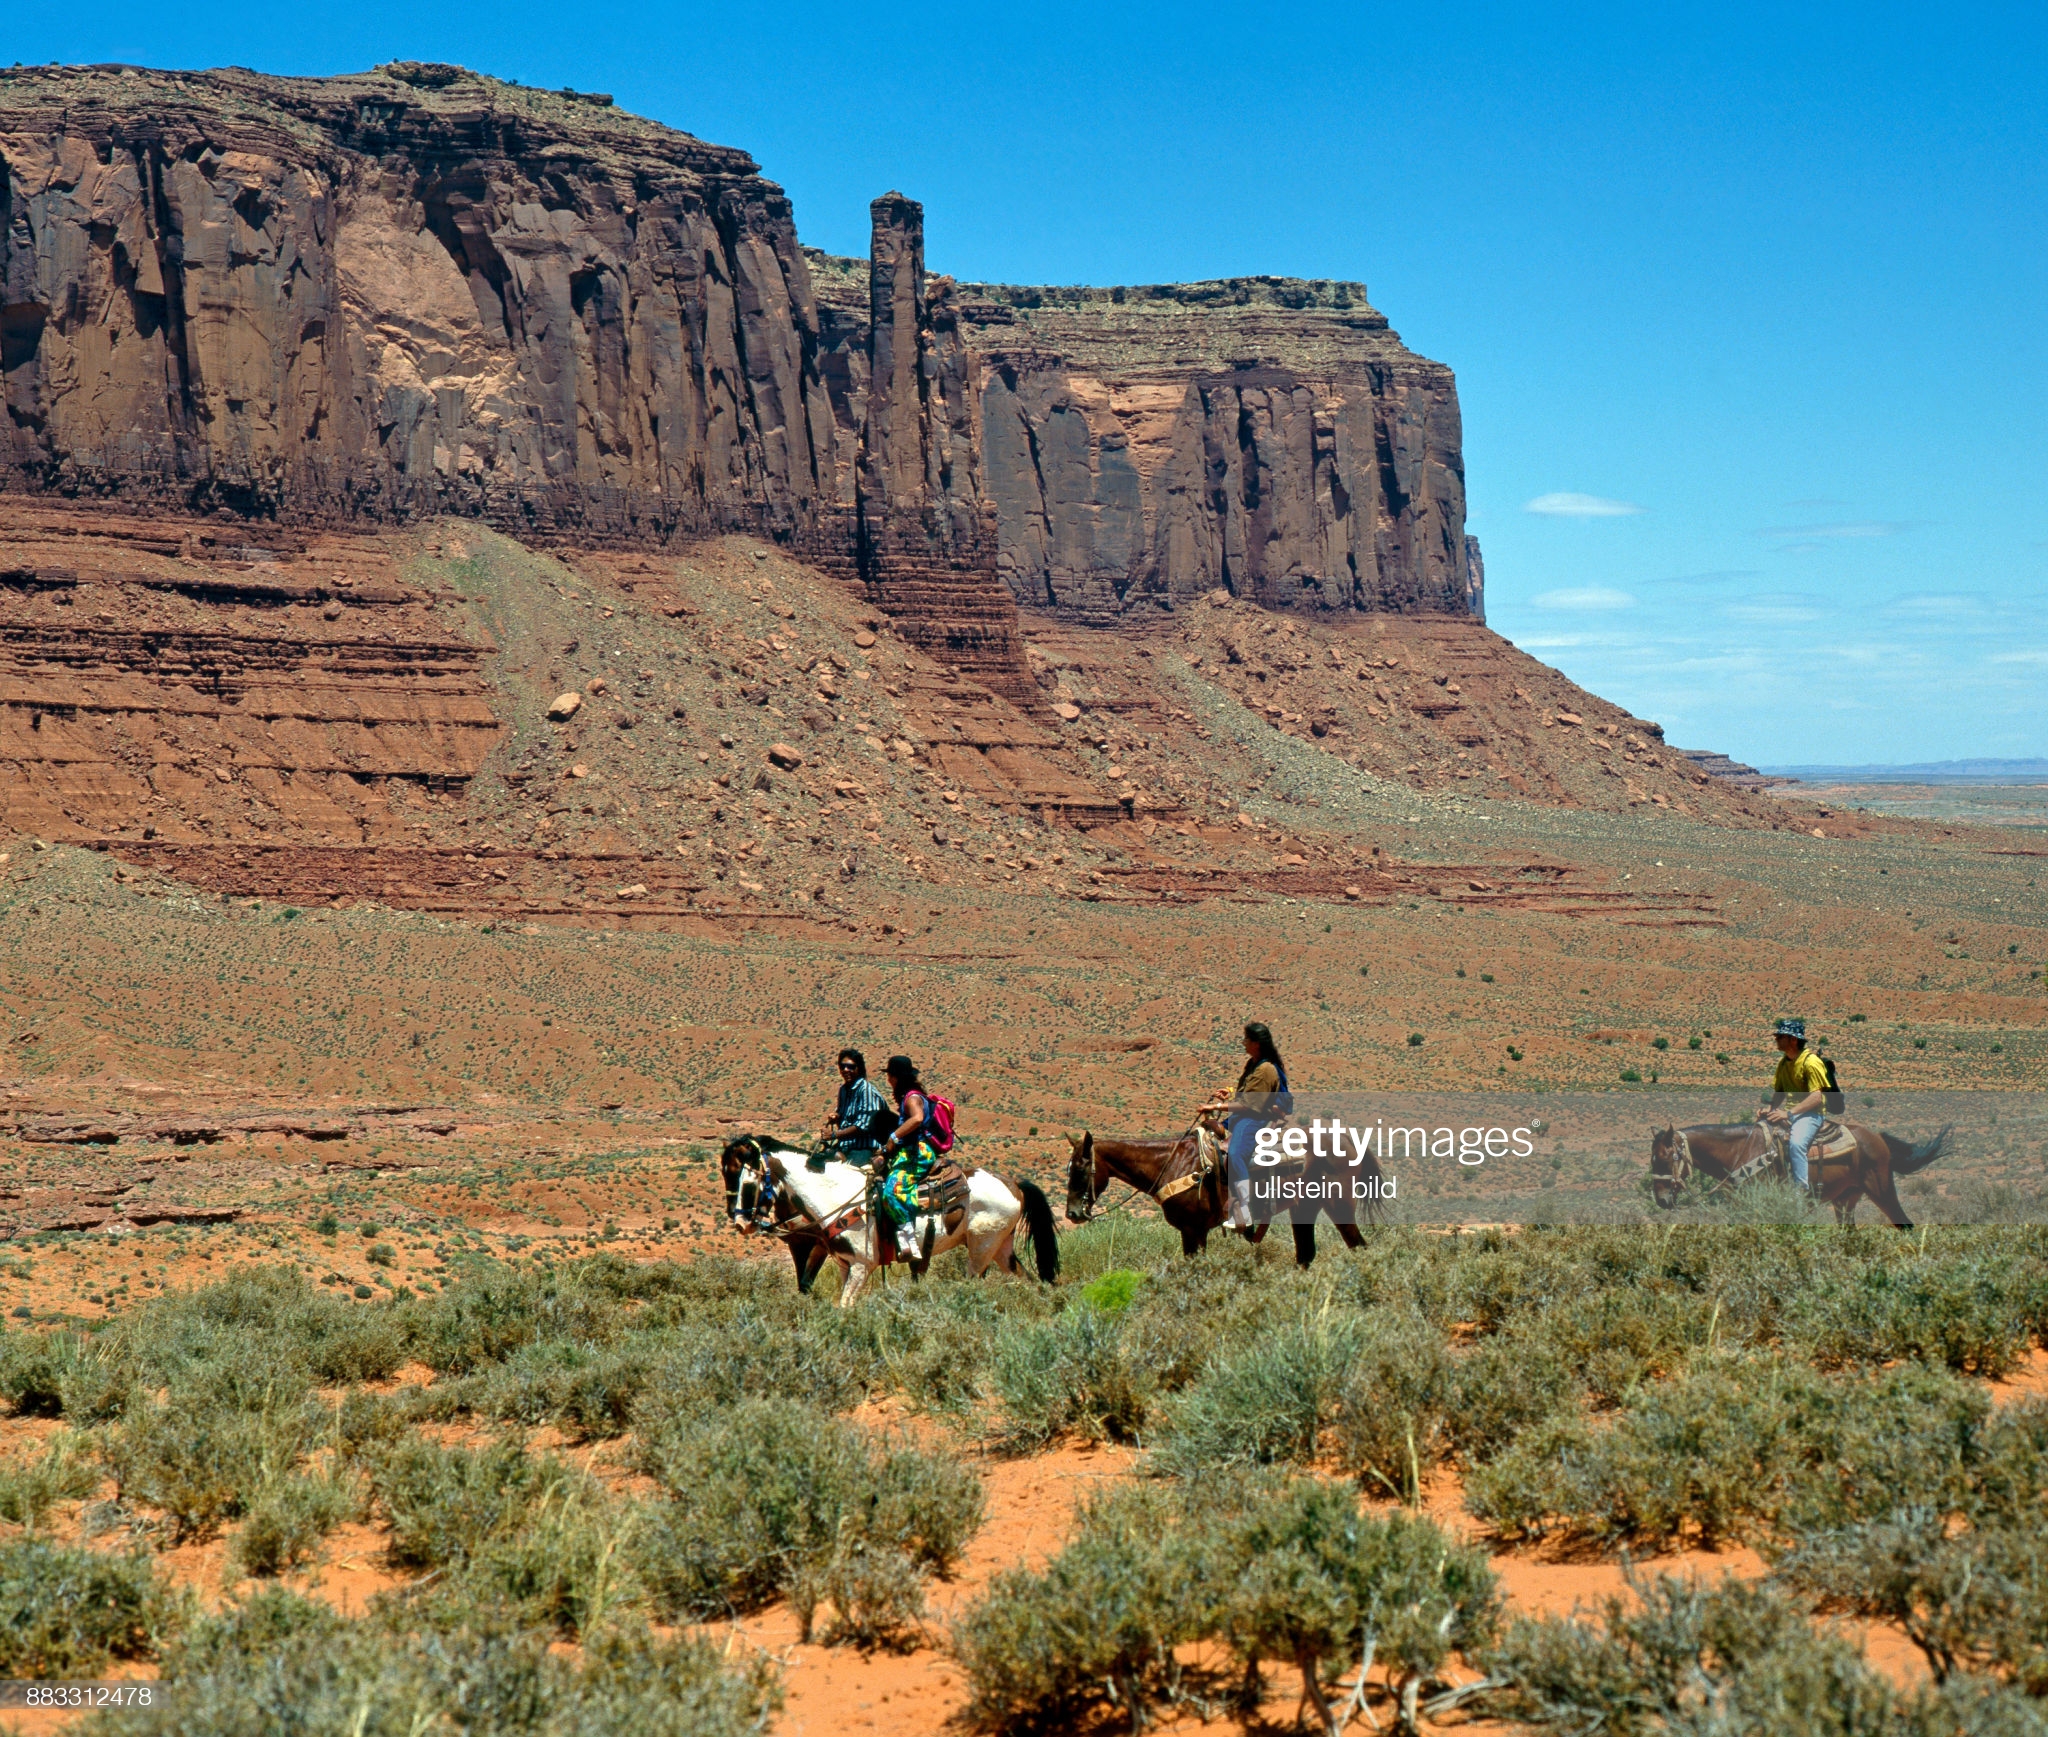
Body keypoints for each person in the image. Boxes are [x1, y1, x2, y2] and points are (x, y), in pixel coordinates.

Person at [1201, 1022, 1289, 1231]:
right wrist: (1228, 1093)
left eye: (1246, 1040)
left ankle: (1244, 1210)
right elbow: (1247, 1093)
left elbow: (1250, 1104)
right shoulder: (1253, 1064)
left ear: (1256, 1043)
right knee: (1207, 1135)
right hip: (1244, 1115)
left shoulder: (1266, 1069)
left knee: (1236, 1152)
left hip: (1256, 1118)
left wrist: (1215, 1105)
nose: (1243, 1043)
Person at [875, 1055, 941, 1263]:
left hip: (917, 1152)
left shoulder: (912, 1098)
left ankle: (910, 1241)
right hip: (912, 1149)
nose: (889, 1081)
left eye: (890, 1076)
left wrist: (894, 1137)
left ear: (895, 1078)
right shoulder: (912, 1095)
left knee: (891, 1192)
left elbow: (918, 1118)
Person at [1762, 1017, 1829, 1191]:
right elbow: (1780, 1092)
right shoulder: (1784, 1063)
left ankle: (1801, 1189)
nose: (1776, 1039)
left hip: (1811, 1114)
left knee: (1797, 1144)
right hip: (1791, 1112)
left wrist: (1788, 1113)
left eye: (1781, 1036)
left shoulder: (1811, 1062)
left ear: (1793, 1040)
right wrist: (1770, 1108)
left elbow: (1816, 1098)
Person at [820, 1048, 890, 1162]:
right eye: (842, 1067)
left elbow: (862, 1126)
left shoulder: (866, 1091)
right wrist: (837, 1117)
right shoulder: (843, 1090)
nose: (846, 1070)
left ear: (859, 1068)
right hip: (845, 1146)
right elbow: (845, 1121)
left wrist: (833, 1135)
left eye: (850, 1067)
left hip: (864, 1149)